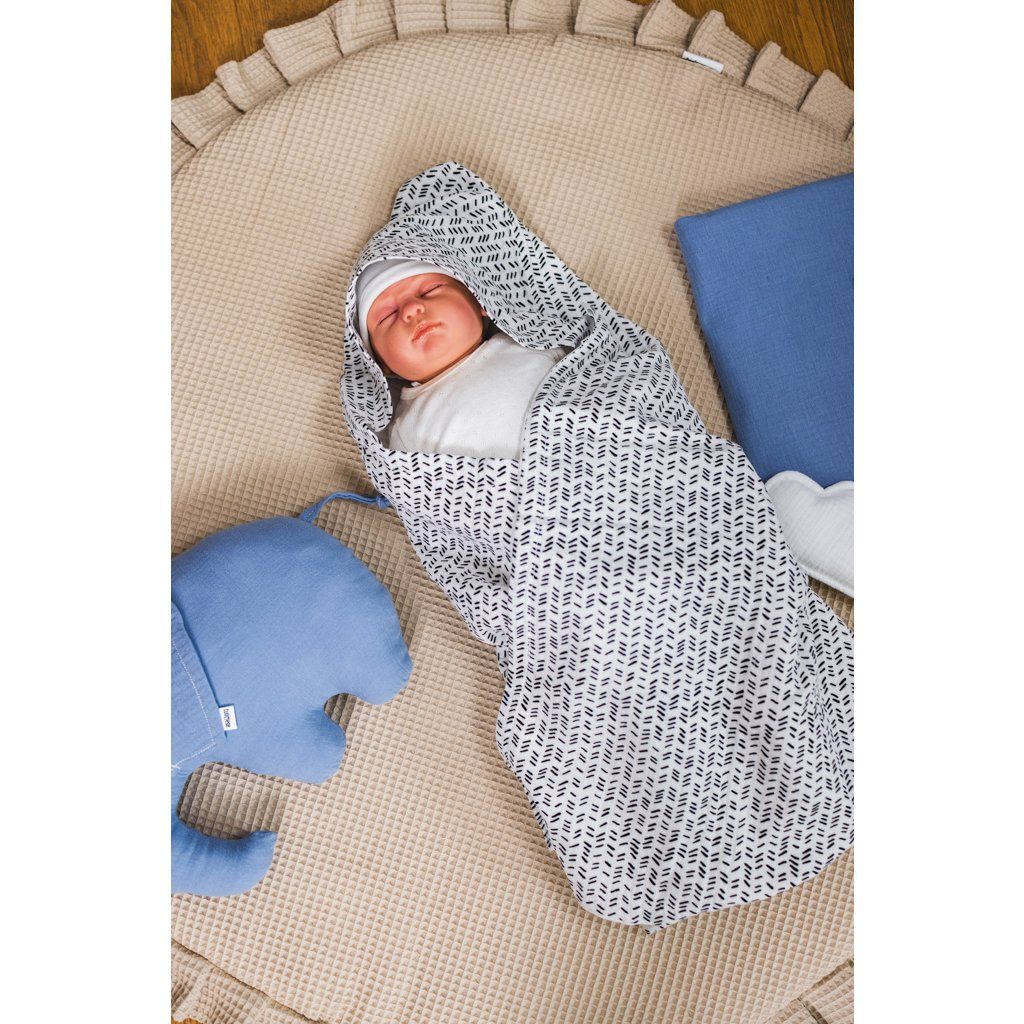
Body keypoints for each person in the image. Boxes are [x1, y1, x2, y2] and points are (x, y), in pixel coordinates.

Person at [355, 259, 566, 459]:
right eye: (387, 316)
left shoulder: (532, 343)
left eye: (430, 290)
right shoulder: (408, 432)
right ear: (380, 363)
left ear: (479, 300)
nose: (411, 309)